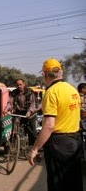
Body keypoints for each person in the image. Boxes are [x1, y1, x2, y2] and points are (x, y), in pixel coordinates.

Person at [28, 58, 83, 191]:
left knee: (58, 184)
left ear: (44, 74)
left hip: (59, 145)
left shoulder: (51, 92)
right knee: (74, 182)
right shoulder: (72, 89)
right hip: (75, 142)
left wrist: (34, 149)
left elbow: (49, 125)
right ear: (61, 73)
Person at [4, 79, 38, 148]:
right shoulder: (14, 93)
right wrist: (6, 109)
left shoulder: (29, 92)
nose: (19, 86)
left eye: (20, 84)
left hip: (30, 113)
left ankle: (34, 147)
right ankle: (12, 144)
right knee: (14, 126)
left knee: (32, 131)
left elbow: (32, 104)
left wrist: (29, 112)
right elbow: (10, 102)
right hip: (19, 113)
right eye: (17, 85)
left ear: (24, 84)